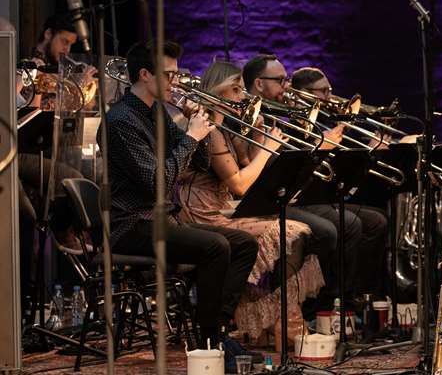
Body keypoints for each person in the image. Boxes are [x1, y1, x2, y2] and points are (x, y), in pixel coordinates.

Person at [103, 41, 259, 365]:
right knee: (216, 247)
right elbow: (156, 183)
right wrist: (191, 136)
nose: (176, 82)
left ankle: (218, 331)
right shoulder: (121, 121)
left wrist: (200, 127)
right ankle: (208, 345)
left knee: (244, 243)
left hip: (161, 220)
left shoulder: (157, 111)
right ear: (145, 74)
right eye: (169, 74)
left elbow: (199, 164)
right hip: (133, 224)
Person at [176, 61, 324, 348]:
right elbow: (240, 184)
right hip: (200, 215)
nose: (243, 97)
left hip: (219, 209)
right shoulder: (209, 130)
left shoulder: (225, 128)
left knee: (294, 232)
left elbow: (253, 174)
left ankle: (279, 323)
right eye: (236, 90)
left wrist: (259, 136)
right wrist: (268, 151)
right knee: (288, 233)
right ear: (219, 92)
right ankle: (281, 324)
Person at [242, 54, 363, 310]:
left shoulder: (282, 114)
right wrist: (320, 147)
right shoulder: (253, 116)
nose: (287, 86)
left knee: (358, 222)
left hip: (292, 194)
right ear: (260, 84)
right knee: (333, 228)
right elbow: (264, 168)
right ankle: (314, 305)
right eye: (281, 80)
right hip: (266, 198)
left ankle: (335, 301)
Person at [291, 66, 390, 299]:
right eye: (323, 92)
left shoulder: (326, 119)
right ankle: (333, 299)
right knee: (350, 223)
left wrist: (371, 149)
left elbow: (345, 156)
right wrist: (322, 148)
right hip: (300, 199)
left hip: (323, 195)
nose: (330, 97)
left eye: (329, 90)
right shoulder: (292, 118)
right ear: (303, 92)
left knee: (377, 221)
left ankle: (361, 294)